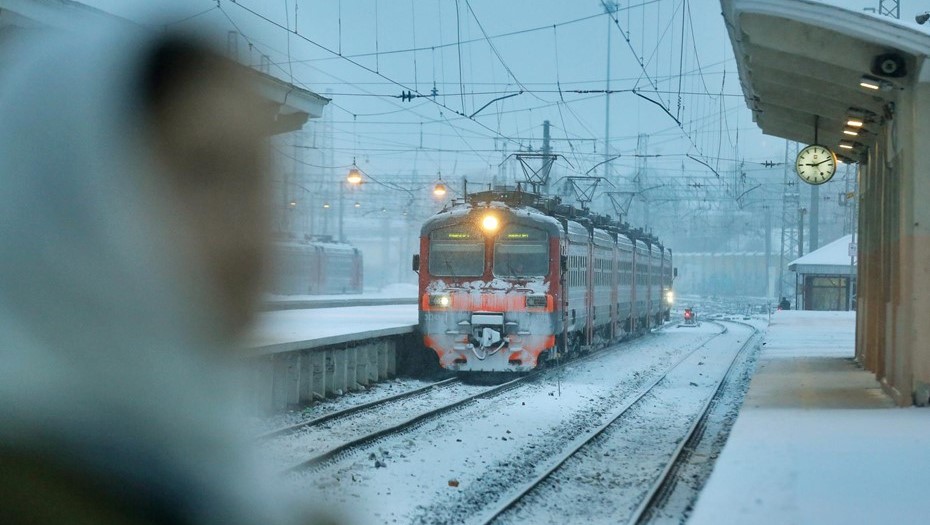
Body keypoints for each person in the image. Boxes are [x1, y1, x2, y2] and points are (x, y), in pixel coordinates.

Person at [0, 23, 324, 524]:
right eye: (203, 172)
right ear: (64, 193)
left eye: (258, 180)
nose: (250, 235)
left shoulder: (208, 468)